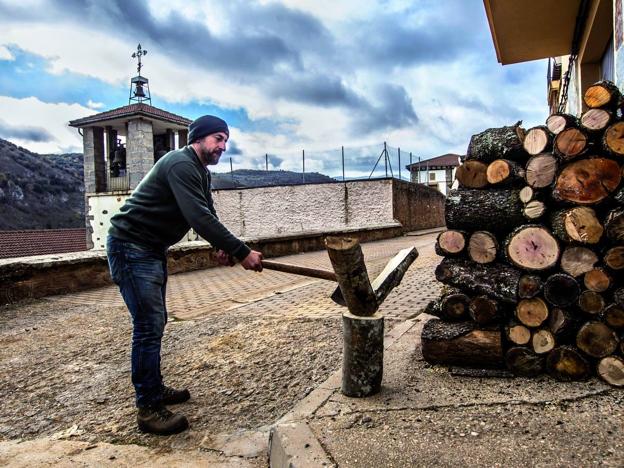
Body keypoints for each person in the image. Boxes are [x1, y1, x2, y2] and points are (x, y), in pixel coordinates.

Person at [106, 115, 263, 435]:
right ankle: (148, 408)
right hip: (130, 247)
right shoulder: (179, 163)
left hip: (150, 250)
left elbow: (207, 214)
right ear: (199, 137)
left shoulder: (200, 173)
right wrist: (243, 251)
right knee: (148, 325)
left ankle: (154, 387)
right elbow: (197, 217)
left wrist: (224, 248)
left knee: (155, 321)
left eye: (226, 141)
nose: (223, 146)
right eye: (218, 138)